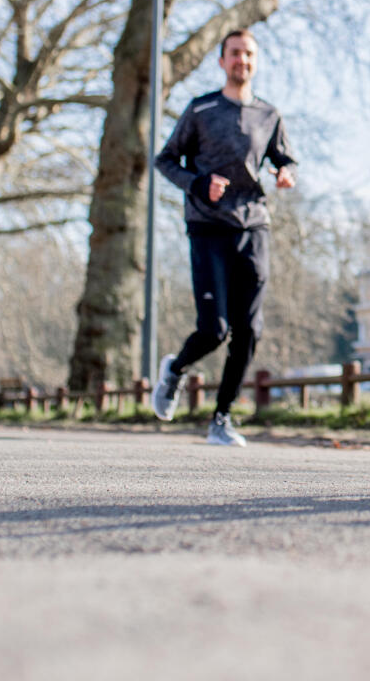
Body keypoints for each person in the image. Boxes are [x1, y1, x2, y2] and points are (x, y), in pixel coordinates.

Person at [151, 28, 298, 446]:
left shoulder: (269, 114)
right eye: (235, 54)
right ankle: (175, 370)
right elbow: (166, 159)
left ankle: (222, 418)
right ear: (221, 61)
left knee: (249, 329)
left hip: (254, 227)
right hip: (208, 226)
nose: (242, 61)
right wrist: (198, 184)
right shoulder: (201, 109)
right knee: (214, 330)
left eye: (249, 54)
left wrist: (286, 173)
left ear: (255, 61)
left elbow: (284, 159)